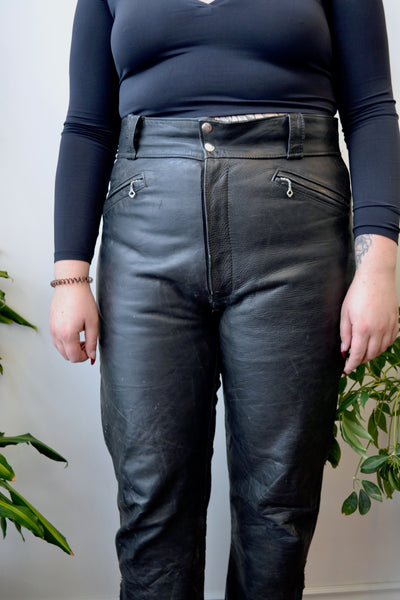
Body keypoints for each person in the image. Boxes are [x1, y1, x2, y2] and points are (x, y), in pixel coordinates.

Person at [49, 1, 400, 599]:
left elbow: (369, 109)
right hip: (145, 238)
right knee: (150, 499)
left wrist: (380, 266)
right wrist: (69, 275)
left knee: (279, 507)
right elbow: (87, 123)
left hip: (296, 242)